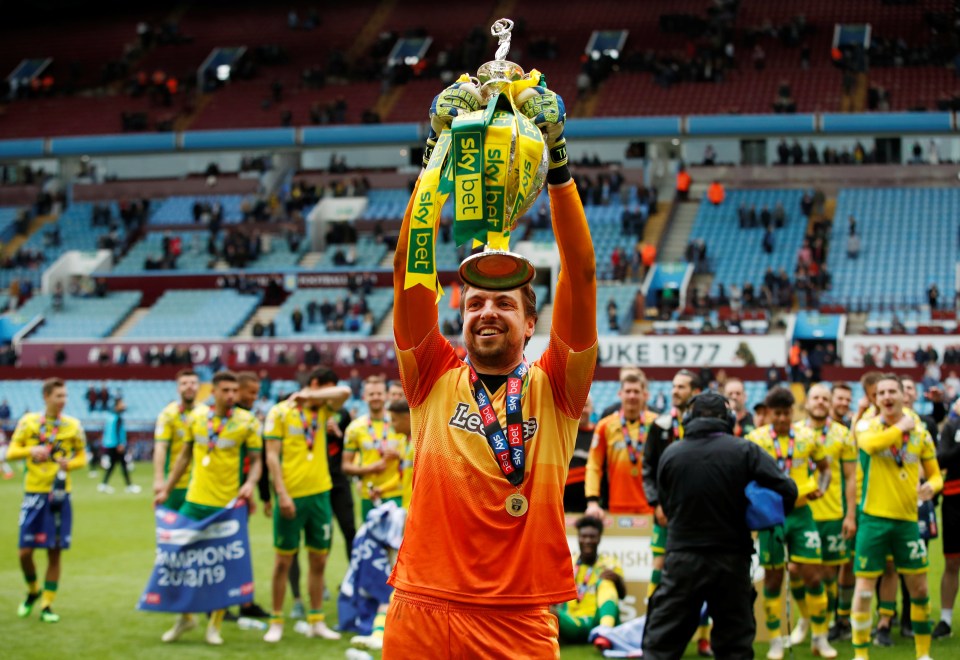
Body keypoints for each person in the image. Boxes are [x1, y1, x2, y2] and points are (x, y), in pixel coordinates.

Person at [382, 80, 597, 658]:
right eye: (475, 301)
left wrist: (556, 158)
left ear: (531, 324)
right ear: (461, 316)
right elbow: (409, 265)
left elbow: (581, 274)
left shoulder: (557, 387)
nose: (487, 310)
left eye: (505, 302)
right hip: (420, 604)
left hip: (518, 616)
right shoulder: (430, 374)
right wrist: (438, 155)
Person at [642, 391, 798, 660]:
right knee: (734, 647)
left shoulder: (671, 454)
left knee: (661, 645)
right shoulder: (745, 450)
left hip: (682, 559)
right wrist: (761, 513)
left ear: (690, 418)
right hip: (732, 560)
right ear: (727, 419)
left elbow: (666, 505)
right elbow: (788, 490)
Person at [154, 371, 263, 646]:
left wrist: (250, 483)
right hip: (194, 501)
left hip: (228, 506)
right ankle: (185, 616)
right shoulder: (196, 418)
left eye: (233, 391)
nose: (230, 395)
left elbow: (257, 461)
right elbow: (183, 456)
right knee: (181, 560)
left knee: (224, 567)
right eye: (224, 390)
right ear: (212, 392)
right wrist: (166, 488)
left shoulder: (247, 422)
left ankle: (214, 626)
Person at [850, 373, 942, 660]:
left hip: (906, 520)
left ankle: (923, 654)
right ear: (876, 399)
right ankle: (861, 654)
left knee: (920, 587)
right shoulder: (866, 425)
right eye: (882, 393)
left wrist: (932, 486)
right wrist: (901, 425)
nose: (887, 397)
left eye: (893, 391)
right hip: (872, 518)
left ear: (904, 395)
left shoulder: (920, 433)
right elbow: (871, 447)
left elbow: (937, 473)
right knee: (864, 590)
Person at [746, 386, 835, 659]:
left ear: (793, 412)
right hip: (770, 517)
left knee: (812, 574)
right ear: (768, 413)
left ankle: (820, 639)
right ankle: (776, 641)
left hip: (802, 514)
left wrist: (821, 486)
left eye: (787, 413)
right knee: (772, 580)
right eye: (777, 413)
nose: (783, 419)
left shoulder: (808, 437)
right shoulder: (756, 439)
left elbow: (825, 467)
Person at [262, 370, 351, 643]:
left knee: (319, 560)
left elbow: (345, 393)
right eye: (325, 387)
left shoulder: (323, 409)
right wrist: (281, 493)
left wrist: (311, 395)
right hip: (291, 495)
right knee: (282, 561)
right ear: (314, 383)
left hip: (320, 495)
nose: (329, 393)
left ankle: (316, 619)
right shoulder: (279, 412)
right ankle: (276, 620)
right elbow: (272, 457)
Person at [8, 378, 87, 624]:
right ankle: (33, 591)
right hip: (33, 494)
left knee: (55, 553)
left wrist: (70, 464)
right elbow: (10, 452)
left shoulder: (73, 426)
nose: (63, 401)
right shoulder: (28, 423)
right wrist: (30, 451)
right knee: (24, 553)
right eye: (58, 396)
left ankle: (47, 605)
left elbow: (83, 456)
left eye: (65, 396)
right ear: (46, 397)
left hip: (60, 495)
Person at [787, 384, 856, 647]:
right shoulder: (795, 433)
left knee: (828, 573)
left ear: (830, 404)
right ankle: (805, 618)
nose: (819, 402)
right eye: (815, 397)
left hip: (832, 514)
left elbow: (850, 478)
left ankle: (823, 626)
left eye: (824, 398)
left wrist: (850, 514)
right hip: (801, 513)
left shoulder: (842, 434)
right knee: (795, 569)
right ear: (807, 402)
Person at [586, 371, 657, 516]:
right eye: (628, 391)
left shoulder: (657, 424)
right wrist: (592, 502)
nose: (632, 396)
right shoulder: (605, 426)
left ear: (644, 395)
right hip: (616, 508)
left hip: (652, 508)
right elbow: (594, 465)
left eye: (636, 391)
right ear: (620, 394)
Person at [555, 516, 625, 643]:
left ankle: (605, 632)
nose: (588, 540)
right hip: (573, 621)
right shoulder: (569, 562)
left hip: (597, 620)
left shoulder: (609, 563)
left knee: (606, 580)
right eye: (584, 536)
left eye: (592, 537)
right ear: (578, 538)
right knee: (549, 610)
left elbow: (622, 595)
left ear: (599, 539)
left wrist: (618, 580)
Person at [343, 375, 405, 518]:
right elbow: (346, 466)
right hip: (369, 495)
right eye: (371, 394)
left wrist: (398, 456)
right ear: (364, 397)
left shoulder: (401, 422)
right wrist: (371, 468)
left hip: (397, 493)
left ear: (386, 396)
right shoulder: (354, 428)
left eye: (379, 393)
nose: (376, 397)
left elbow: (414, 457)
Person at [153, 369, 199, 512]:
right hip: (174, 483)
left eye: (193, 383)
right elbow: (161, 447)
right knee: (170, 529)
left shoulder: (205, 415)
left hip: (200, 483)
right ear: (178, 388)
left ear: (199, 387)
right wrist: (159, 478)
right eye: (184, 383)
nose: (189, 386)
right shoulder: (168, 415)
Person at [935, 397, 960, 639]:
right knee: (952, 562)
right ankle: (945, 619)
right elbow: (940, 458)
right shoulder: (952, 426)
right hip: (954, 499)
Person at [98, 397, 138, 494]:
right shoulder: (117, 418)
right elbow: (117, 432)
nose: (124, 405)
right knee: (122, 465)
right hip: (116, 445)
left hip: (110, 445)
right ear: (117, 405)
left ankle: (103, 485)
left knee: (113, 466)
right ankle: (129, 486)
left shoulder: (110, 417)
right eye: (122, 403)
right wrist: (120, 444)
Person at [564, 396, 594, 512]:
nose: (581, 410)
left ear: (592, 409)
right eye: (577, 406)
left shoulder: (599, 434)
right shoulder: (563, 434)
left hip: (591, 503)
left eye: (585, 406)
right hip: (564, 501)